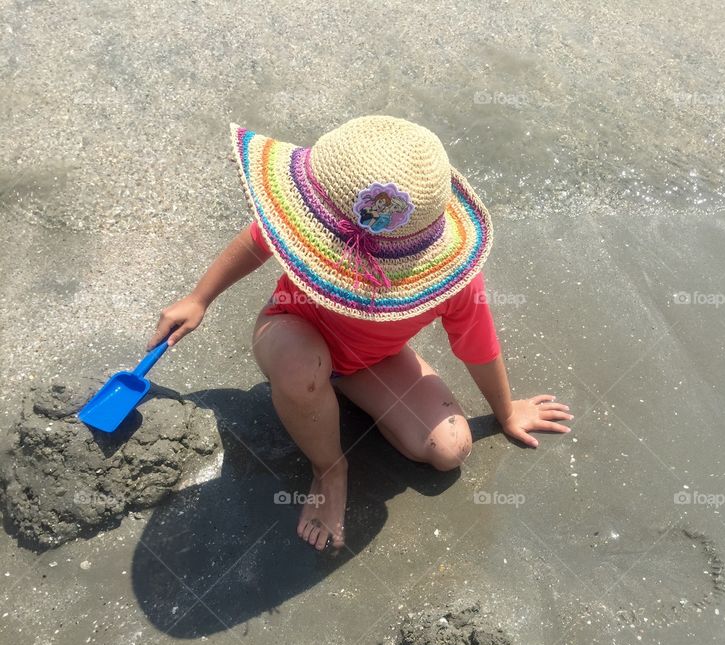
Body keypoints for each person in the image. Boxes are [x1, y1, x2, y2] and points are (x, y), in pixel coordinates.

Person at [147, 115, 573, 553]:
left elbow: (478, 347)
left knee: (450, 450)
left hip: (372, 360)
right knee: (301, 369)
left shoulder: (456, 281)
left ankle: (342, 396)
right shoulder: (315, 215)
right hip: (293, 332)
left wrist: (505, 413)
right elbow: (258, 240)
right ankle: (329, 469)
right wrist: (200, 298)